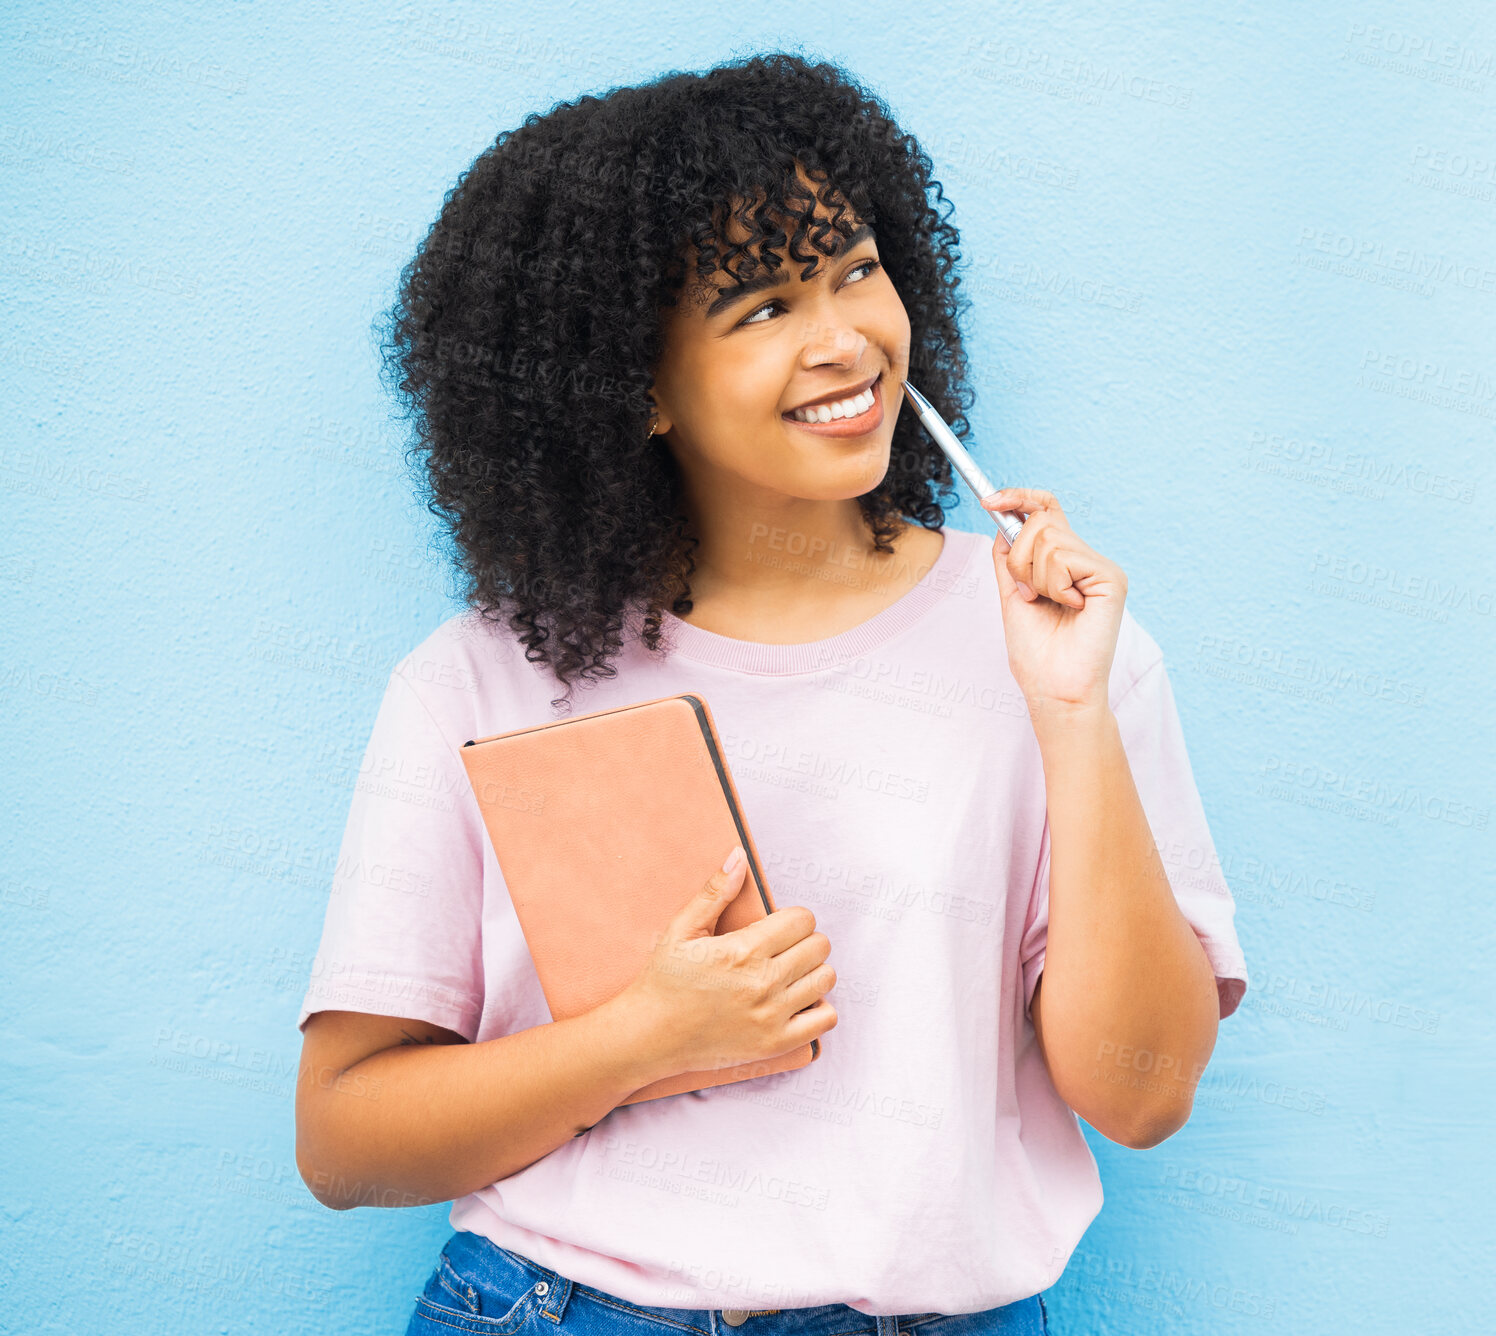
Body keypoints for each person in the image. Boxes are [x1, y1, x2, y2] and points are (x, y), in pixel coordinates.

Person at [293, 50, 1249, 1336]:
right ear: (631, 386)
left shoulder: (1065, 640)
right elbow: (344, 1140)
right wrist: (643, 1037)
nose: (845, 337)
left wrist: (1071, 718)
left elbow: (1140, 1095)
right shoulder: (477, 675)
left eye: (855, 270)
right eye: (761, 308)